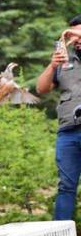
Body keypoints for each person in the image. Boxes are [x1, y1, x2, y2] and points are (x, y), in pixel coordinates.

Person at [36, 15, 81, 221]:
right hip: (68, 132)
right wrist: (52, 65)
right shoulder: (65, 59)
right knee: (66, 186)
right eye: (73, 35)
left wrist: (70, 34)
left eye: (78, 34)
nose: (75, 40)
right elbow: (41, 88)